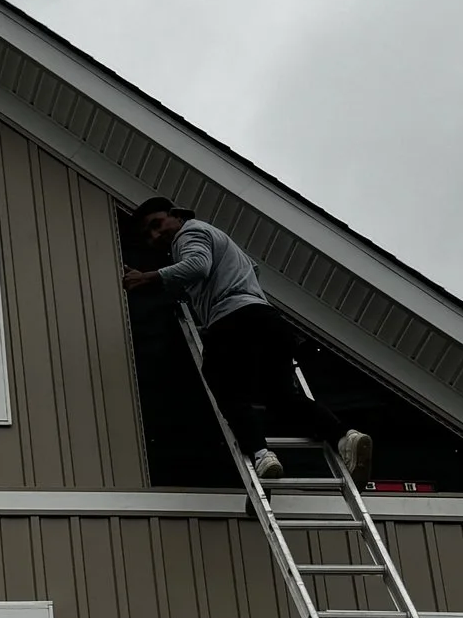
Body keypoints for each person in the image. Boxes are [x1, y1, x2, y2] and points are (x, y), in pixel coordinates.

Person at [121, 197, 372, 485]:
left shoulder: (187, 234)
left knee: (223, 382)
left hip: (235, 319)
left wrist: (149, 278)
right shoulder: (218, 240)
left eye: (157, 224)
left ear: (176, 216)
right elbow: (251, 269)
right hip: (267, 322)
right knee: (280, 397)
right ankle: (345, 436)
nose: (155, 235)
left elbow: (198, 265)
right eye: (147, 234)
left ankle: (262, 454)